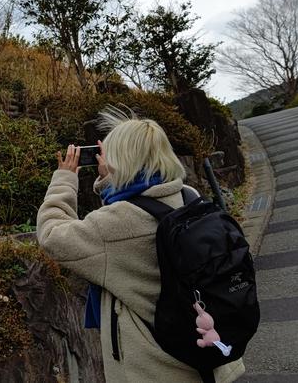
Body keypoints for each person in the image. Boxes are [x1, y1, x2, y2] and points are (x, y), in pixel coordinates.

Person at [36, 107, 245, 382]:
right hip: (211, 357)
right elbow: (135, 209)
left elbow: (52, 235)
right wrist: (112, 182)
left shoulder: (118, 224)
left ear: (123, 160)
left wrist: (64, 179)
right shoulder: (189, 197)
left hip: (156, 370)